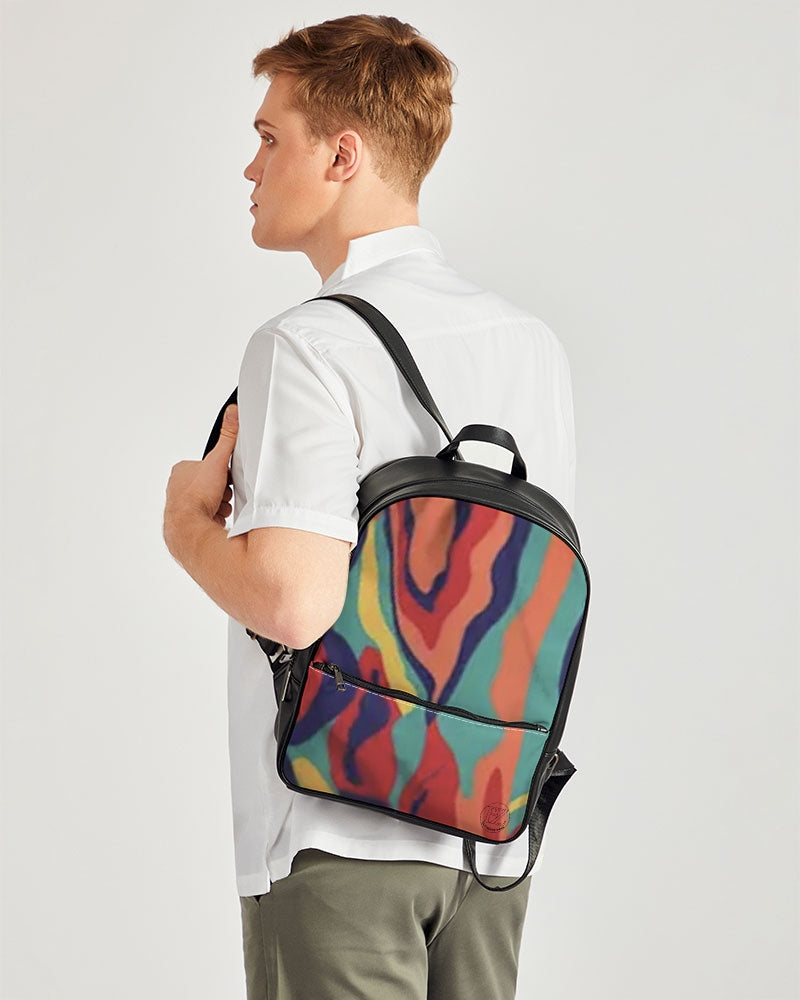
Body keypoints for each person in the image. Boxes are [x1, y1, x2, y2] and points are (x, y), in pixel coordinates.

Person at [163, 14, 577, 1000]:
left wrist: (186, 526)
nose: (251, 167)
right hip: (490, 829)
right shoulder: (528, 344)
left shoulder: (307, 344)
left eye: (271, 138)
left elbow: (293, 602)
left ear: (341, 155)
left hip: (338, 828)